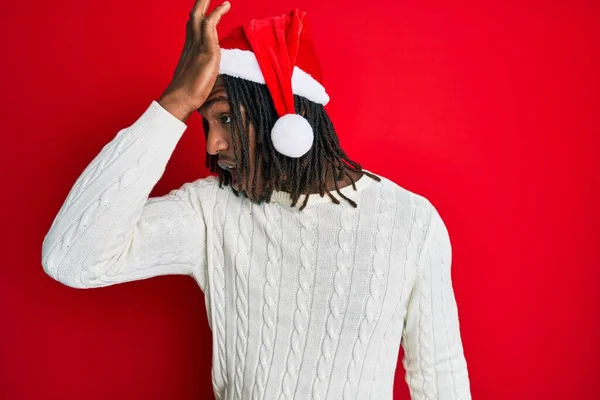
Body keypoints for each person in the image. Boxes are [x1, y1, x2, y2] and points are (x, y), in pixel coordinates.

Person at [41, 1, 472, 399]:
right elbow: (73, 258)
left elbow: (440, 375)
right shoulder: (210, 212)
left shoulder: (410, 221)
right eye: (205, 122)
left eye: (225, 117)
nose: (212, 146)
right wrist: (174, 103)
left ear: (286, 116)